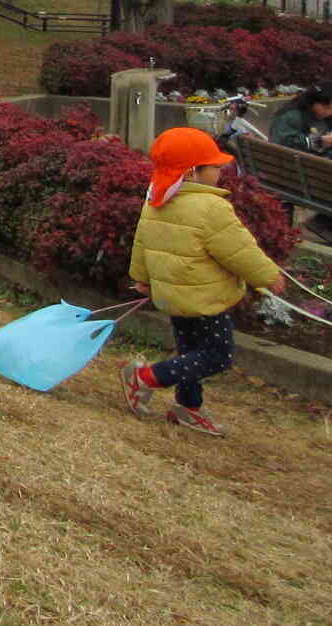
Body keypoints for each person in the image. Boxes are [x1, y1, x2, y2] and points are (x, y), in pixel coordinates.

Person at [124, 126, 286, 438]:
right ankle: (147, 377)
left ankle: (189, 408)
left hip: (173, 296)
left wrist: (141, 279)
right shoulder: (211, 208)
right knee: (216, 356)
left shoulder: (156, 198)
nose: (221, 172)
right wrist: (268, 278)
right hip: (205, 298)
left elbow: (142, 243)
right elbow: (240, 252)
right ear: (193, 172)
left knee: (190, 354)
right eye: (215, 167)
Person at [267, 85, 332, 154]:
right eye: (326, 108)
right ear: (312, 101)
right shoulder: (291, 117)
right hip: (299, 162)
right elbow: (281, 143)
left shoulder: (323, 116)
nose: (329, 112)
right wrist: (319, 141)